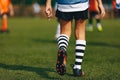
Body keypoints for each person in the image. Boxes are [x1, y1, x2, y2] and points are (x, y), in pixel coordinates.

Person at [45, 0, 105, 76]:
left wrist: (48, 3)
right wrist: (99, 3)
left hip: (64, 3)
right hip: (81, 4)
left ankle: (62, 49)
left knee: (65, 31)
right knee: (80, 32)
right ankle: (77, 68)